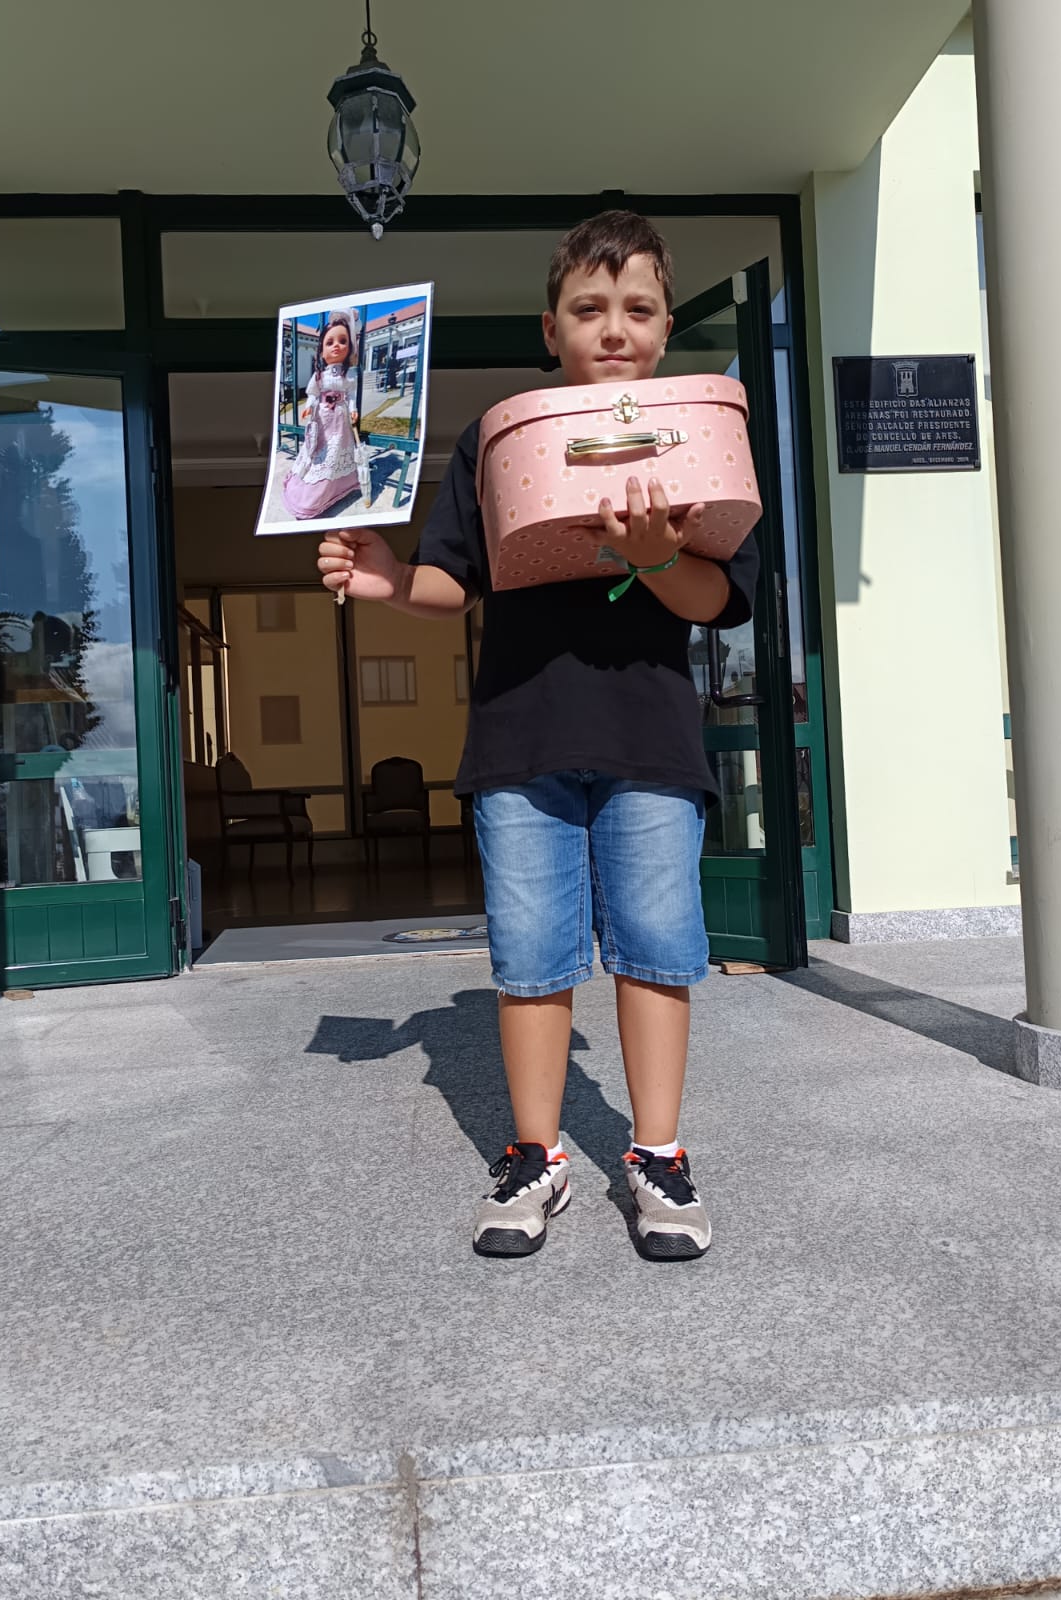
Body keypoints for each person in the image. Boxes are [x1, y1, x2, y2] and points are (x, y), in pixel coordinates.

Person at [315, 212, 760, 1261]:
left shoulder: (697, 430)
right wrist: (387, 578)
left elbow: (719, 599)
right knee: (529, 958)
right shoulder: (497, 436)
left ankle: (658, 1155)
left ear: (666, 326)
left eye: (639, 309)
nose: (615, 329)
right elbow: (451, 581)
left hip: (652, 738)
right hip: (519, 738)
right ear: (551, 327)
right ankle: (535, 1155)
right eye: (589, 309)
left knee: (656, 949)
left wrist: (655, 558)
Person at [282, 315, 360, 520]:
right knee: (319, 449)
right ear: (322, 351)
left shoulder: (349, 375)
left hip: (340, 417)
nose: (336, 346)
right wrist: (309, 407)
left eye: (342, 341)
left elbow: (351, 394)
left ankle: (338, 486)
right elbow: (313, 393)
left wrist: (353, 409)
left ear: (350, 347)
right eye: (330, 342)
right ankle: (313, 492)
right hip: (322, 417)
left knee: (337, 450)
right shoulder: (319, 376)